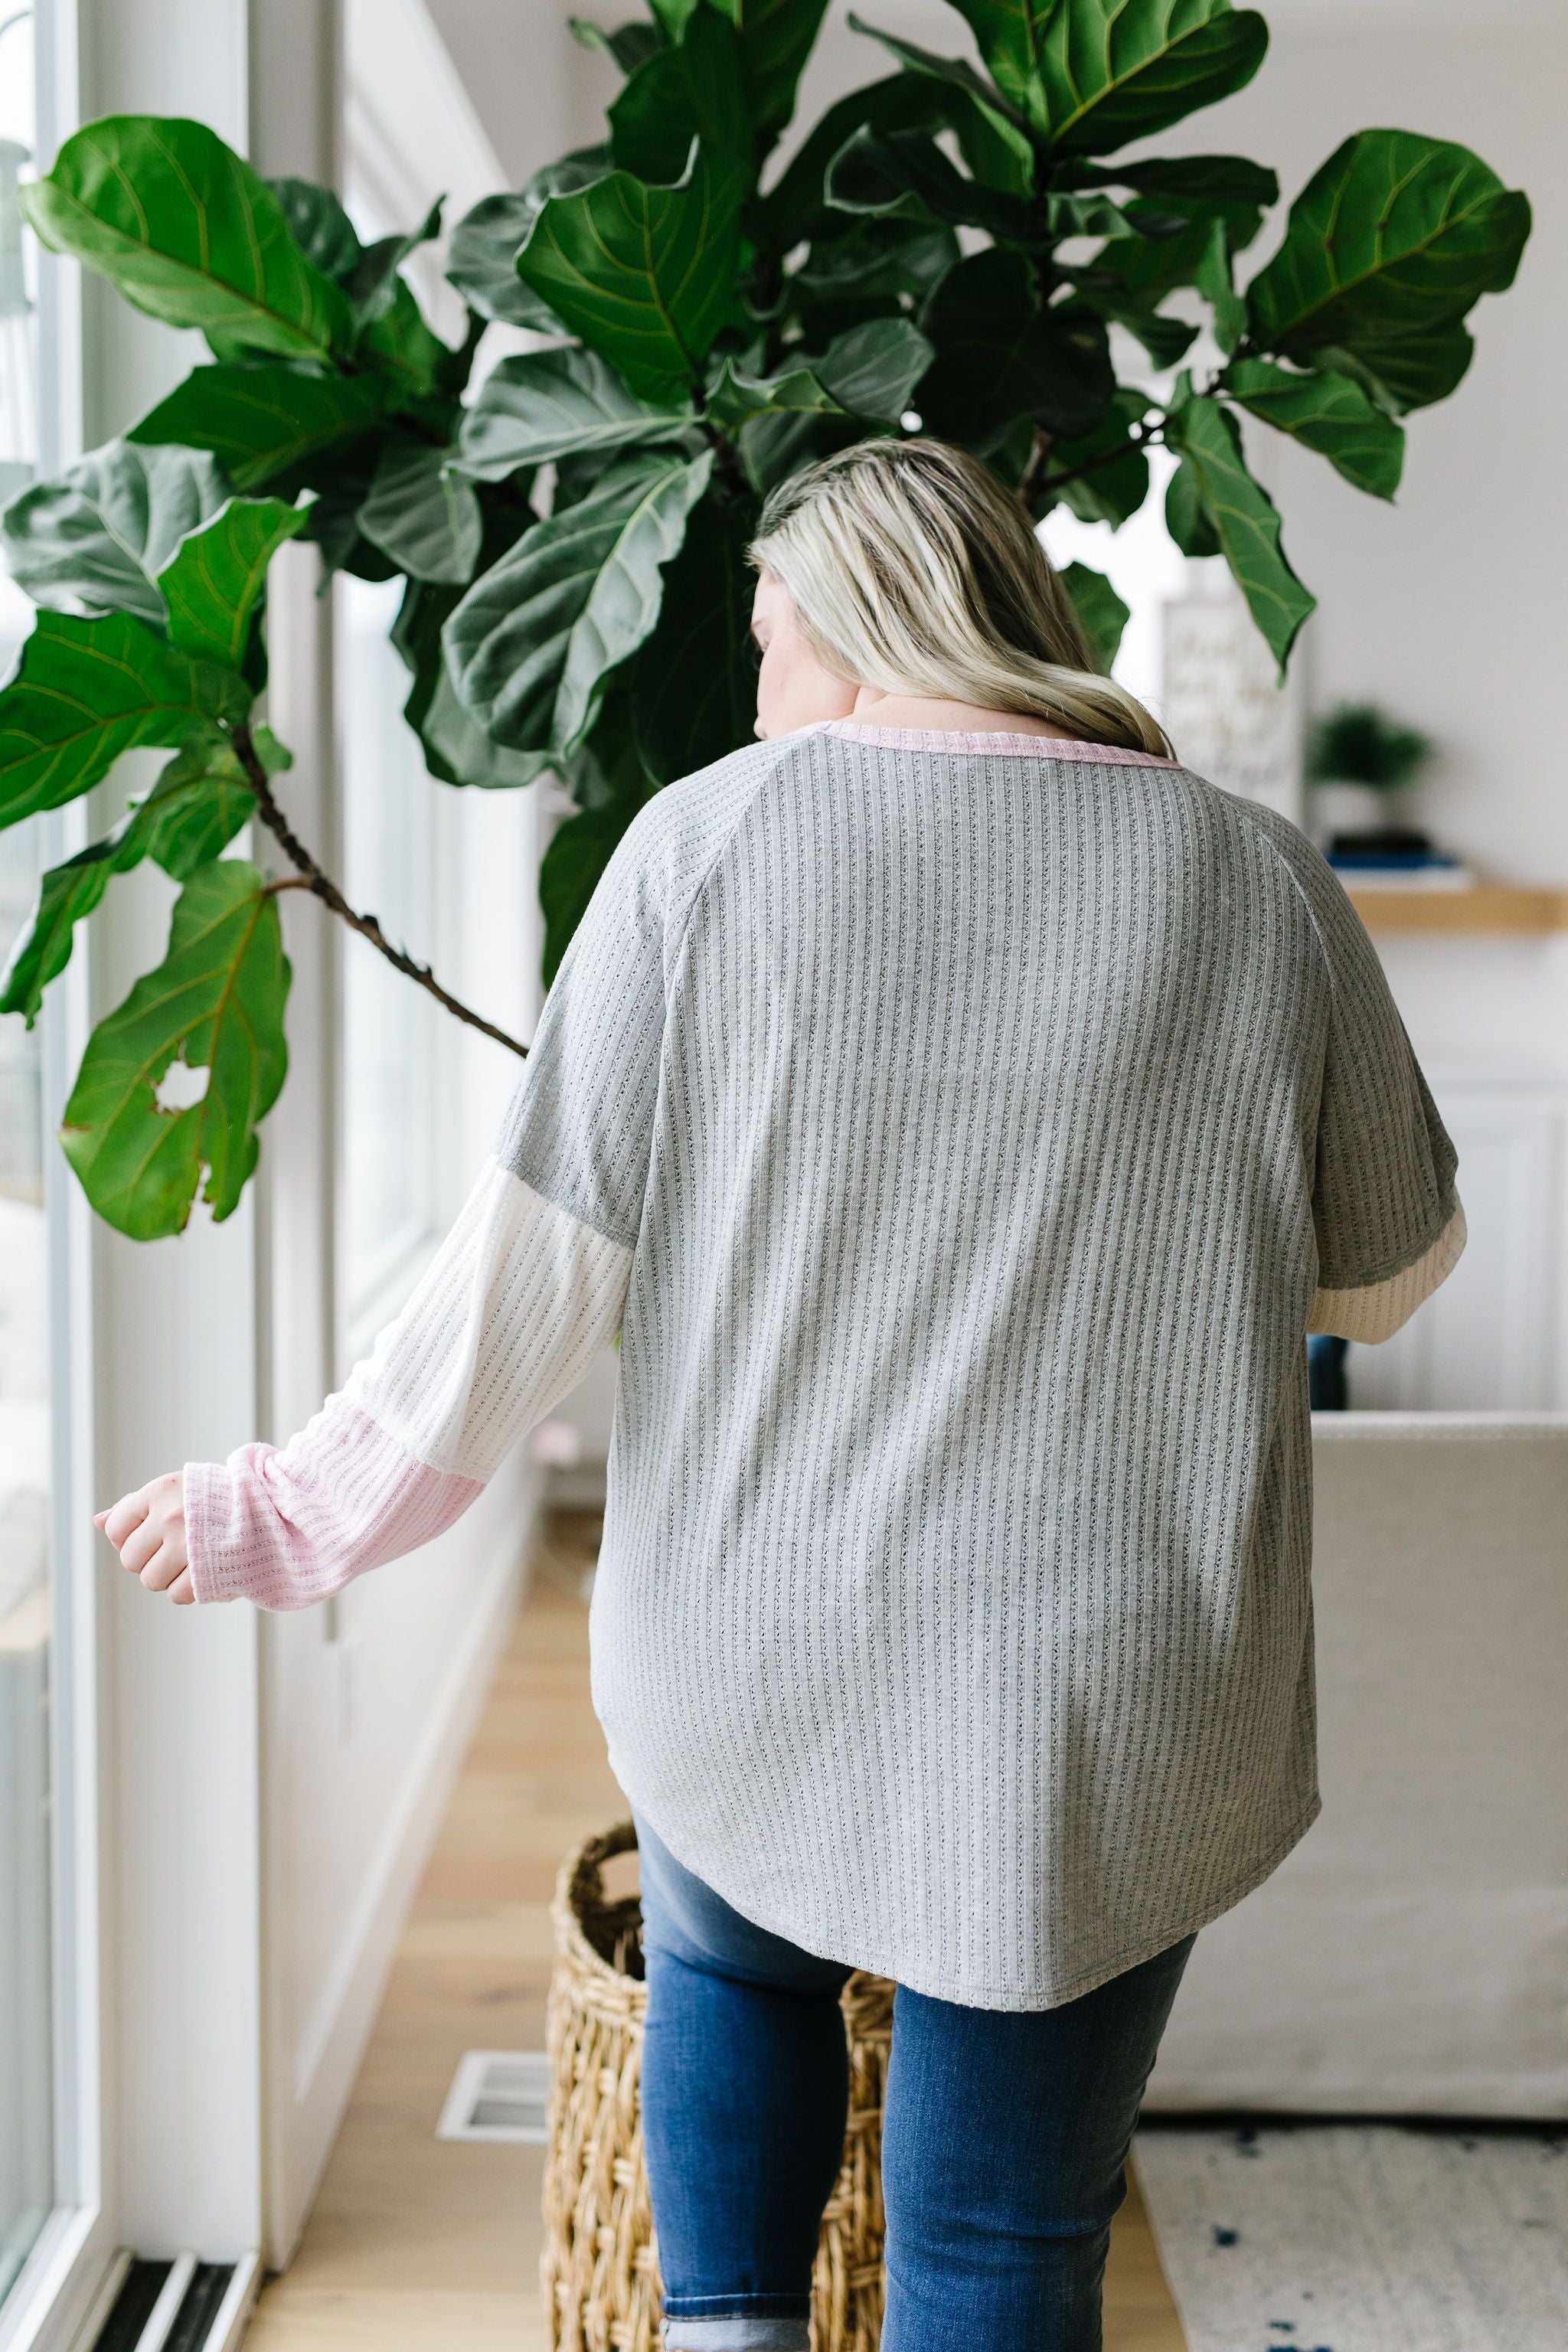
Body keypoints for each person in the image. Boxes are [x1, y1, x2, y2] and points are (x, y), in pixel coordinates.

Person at [96, 439, 1465, 2352]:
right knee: (998, 2248)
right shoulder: (1254, 873)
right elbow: (1392, 1275)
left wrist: (284, 1509)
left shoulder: (705, 847)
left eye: (764, 646)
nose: (754, 696)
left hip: (764, 1635)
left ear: (856, 626)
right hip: (1112, 1688)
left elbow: (522, 1289)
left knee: (731, 2001)